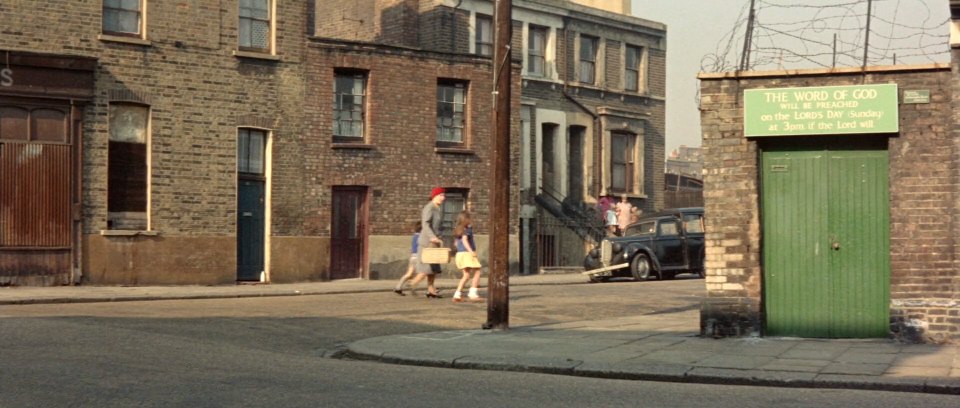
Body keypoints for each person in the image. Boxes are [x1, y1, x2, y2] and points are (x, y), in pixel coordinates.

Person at [408, 187, 445, 298]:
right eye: (441, 195)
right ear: (435, 196)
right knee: (425, 269)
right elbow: (425, 224)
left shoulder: (437, 208)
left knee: (433, 269)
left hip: (434, 244)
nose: (443, 198)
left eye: (444, 195)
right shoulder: (429, 207)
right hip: (427, 243)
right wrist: (432, 237)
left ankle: (430, 290)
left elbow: (437, 225)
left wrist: (439, 236)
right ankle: (412, 284)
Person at [452, 211, 482, 303]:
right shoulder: (467, 229)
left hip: (460, 254)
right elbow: (465, 241)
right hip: (467, 254)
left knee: (466, 275)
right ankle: (472, 293)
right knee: (477, 271)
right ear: (466, 219)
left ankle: (457, 294)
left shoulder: (457, 229)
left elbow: (456, 243)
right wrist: (471, 252)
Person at [393, 221, 421, 296]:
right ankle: (411, 287)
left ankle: (399, 287)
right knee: (421, 274)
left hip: (413, 256)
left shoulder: (415, 236)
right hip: (418, 257)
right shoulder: (421, 237)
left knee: (409, 274)